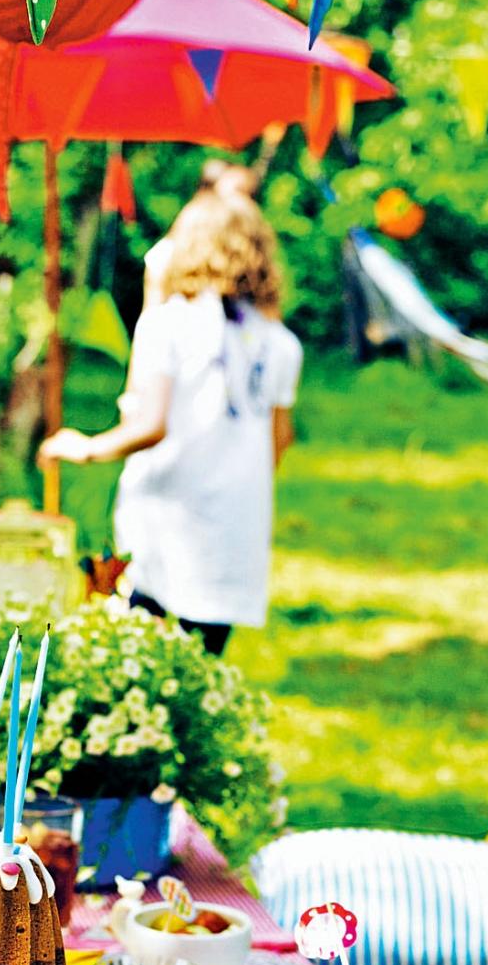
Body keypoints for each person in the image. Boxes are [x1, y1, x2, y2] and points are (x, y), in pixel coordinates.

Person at [39, 194, 302, 656]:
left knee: (141, 651)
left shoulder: (169, 323)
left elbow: (148, 422)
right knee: (202, 661)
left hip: (167, 514)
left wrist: (86, 448)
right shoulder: (279, 342)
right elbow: (280, 438)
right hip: (235, 520)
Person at [141, 156, 262, 310]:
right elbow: (151, 316)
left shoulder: (250, 258)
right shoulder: (168, 254)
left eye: (250, 195)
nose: (245, 204)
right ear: (206, 195)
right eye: (238, 192)